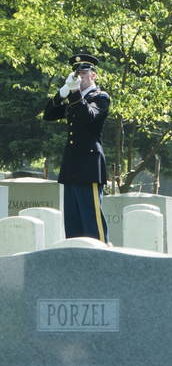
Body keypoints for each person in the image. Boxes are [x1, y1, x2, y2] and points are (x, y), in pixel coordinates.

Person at [42, 53, 111, 243]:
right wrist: (63, 92)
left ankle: (100, 258)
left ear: (93, 76)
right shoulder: (74, 96)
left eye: (84, 72)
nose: (80, 76)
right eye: (77, 73)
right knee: (72, 223)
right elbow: (48, 114)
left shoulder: (101, 97)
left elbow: (87, 117)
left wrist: (74, 94)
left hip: (90, 166)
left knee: (92, 222)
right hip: (72, 166)